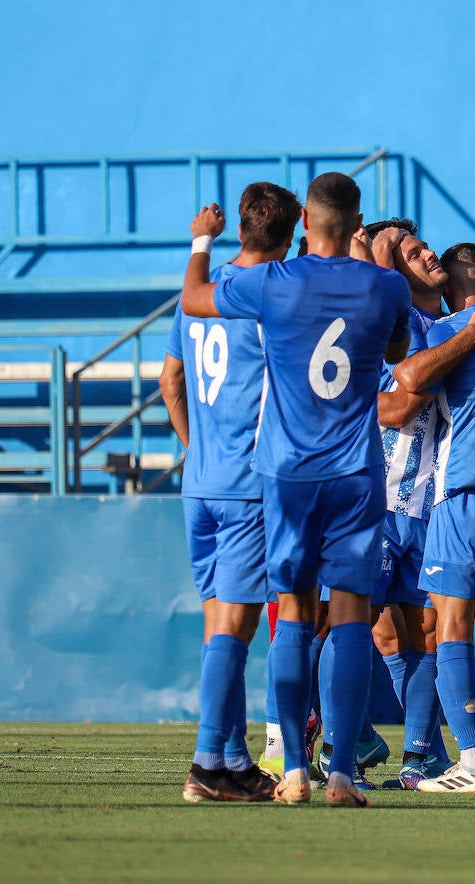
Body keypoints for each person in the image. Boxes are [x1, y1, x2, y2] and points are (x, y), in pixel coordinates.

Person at [180, 171, 412, 807]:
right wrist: (373, 264)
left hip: (285, 475)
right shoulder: (386, 286)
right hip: (355, 473)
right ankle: (341, 773)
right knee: (352, 621)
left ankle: (292, 770)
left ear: (305, 223)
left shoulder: (275, 282)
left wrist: (202, 242)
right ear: (356, 222)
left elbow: (197, 297)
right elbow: (396, 345)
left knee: (292, 615)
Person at [368, 224, 475, 789]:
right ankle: (354, 742)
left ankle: (435, 757)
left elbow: (404, 394)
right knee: (383, 632)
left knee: (436, 629)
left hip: (445, 495)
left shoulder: (449, 328)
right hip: (398, 493)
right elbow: (391, 404)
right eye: (411, 253)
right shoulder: (389, 320)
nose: (428, 255)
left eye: (427, 248)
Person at [163, 181, 299, 803]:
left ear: (240, 230)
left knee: (219, 624)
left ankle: (232, 758)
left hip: (202, 482)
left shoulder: (198, 292)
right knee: (235, 630)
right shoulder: (273, 298)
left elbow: (170, 381)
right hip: (248, 484)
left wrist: (196, 451)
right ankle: (204, 768)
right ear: (291, 234)